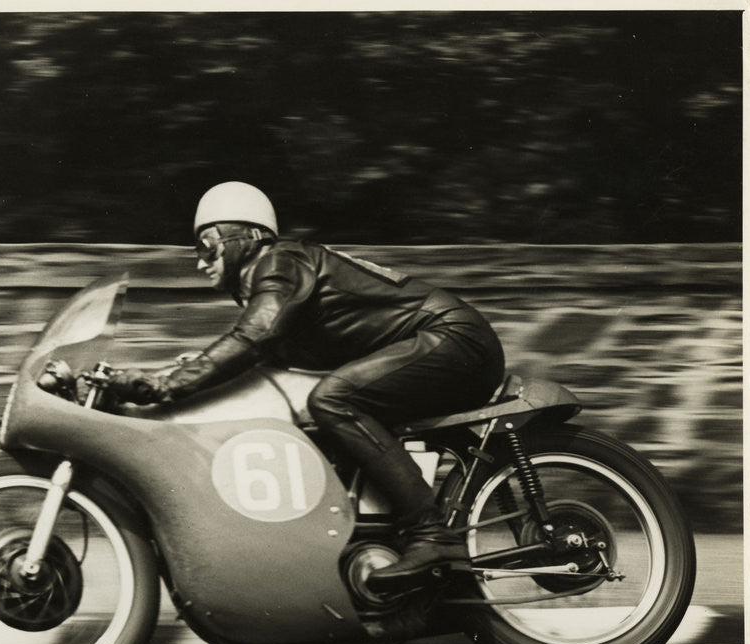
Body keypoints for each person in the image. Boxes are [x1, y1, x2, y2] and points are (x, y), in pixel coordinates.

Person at [106, 181, 505, 591]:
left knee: (333, 400)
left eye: (208, 245)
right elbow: (253, 352)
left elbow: (250, 339)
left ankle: (431, 536)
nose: (200, 262)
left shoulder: (280, 263)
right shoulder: (276, 281)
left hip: (454, 340)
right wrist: (181, 373)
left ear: (247, 237)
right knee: (320, 422)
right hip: (448, 345)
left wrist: (165, 385)